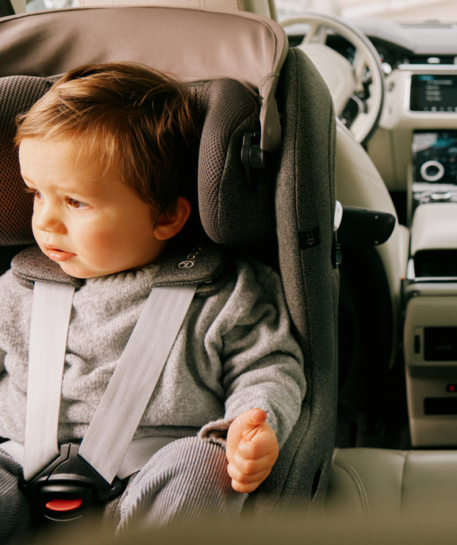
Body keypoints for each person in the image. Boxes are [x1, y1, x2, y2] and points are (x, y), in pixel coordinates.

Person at [0, 63, 306, 540]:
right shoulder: (16, 290)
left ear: (166, 216)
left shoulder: (227, 292)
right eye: (37, 194)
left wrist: (249, 426)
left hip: (157, 466)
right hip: (18, 463)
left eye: (75, 203)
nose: (45, 222)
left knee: (206, 467)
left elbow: (269, 366)